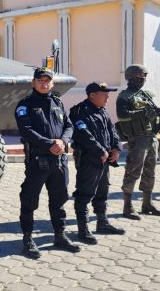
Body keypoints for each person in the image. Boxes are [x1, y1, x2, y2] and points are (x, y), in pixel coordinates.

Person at [15, 67, 80, 259]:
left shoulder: (57, 102)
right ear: (33, 83)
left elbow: (69, 125)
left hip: (59, 161)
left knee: (59, 200)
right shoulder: (25, 105)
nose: (44, 84)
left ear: (52, 83)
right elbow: (26, 130)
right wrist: (50, 143)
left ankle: (60, 236)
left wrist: (63, 141)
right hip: (38, 161)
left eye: (47, 81)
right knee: (29, 200)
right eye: (40, 80)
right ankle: (27, 239)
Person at [69, 82, 126, 244]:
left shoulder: (102, 110)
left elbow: (112, 130)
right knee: (84, 193)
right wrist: (100, 150)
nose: (108, 96)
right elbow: (83, 134)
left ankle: (102, 222)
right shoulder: (79, 111)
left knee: (103, 191)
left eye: (108, 93)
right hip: (89, 159)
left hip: (104, 159)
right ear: (92, 95)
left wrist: (117, 147)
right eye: (104, 94)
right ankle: (82, 229)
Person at [115, 64, 160, 219]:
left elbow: (152, 117)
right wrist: (141, 113)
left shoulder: (146, 95)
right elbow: (122, 115)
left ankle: (147, 203)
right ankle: (127, 206)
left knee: (150, 172)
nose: (142, 79)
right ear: (130, 78)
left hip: (152, 138)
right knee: (133, 171)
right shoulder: (125, 96)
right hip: (137, 139)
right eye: (139, 77)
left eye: (144, 76)